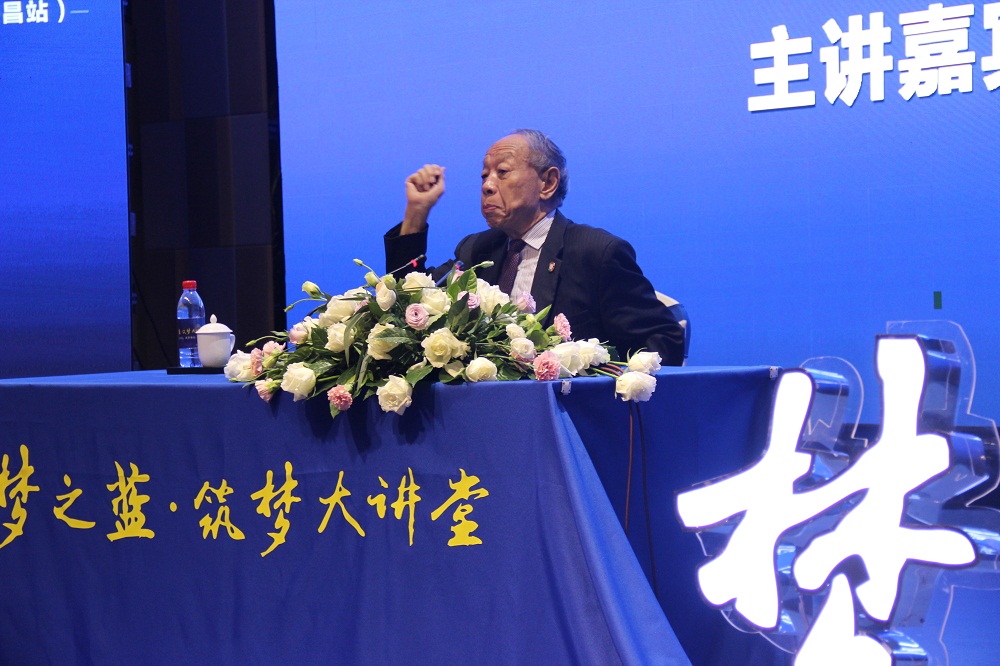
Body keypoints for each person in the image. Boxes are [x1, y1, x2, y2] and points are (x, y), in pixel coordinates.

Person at [384, 129, 685, 365]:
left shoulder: (595, 253)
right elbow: (408, 305)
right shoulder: (476, 251)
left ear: (548, 183)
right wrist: (416, 213)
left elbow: (663, 341)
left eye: (502, 172)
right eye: (484, 175)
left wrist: (603, 383)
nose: (487, 185)